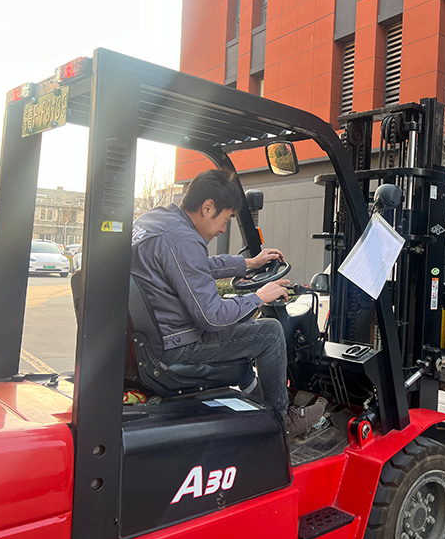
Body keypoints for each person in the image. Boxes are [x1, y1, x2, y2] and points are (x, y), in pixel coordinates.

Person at [131, 169, 325, 436]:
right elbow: (212, 317)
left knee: (244, 332)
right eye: (225, 219)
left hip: (150, 341)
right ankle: (282, 422)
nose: (223, 229)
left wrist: (249, 263)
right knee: (269, 333)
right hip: (175, 347)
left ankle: (259, 406)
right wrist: (259, 297)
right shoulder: (183, 239)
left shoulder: (156, 221)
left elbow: (193, 266)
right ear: (208, 207)